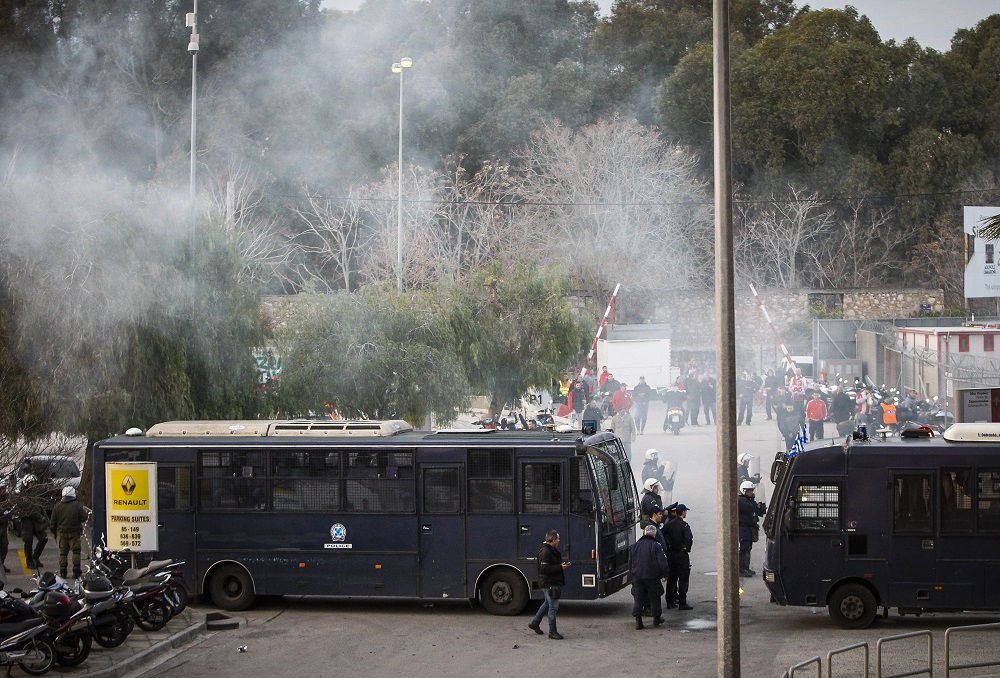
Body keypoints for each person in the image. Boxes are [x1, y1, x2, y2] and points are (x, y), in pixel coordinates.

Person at [528, 530, 569, 640]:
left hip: (550, 581)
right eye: (558, 539)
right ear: (553, 540)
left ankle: (535, 623)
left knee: (547, 603)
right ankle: (552, 631)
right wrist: (560, 567)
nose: (559, 540)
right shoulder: (546, 552)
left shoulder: (550, 550)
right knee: (553, 606)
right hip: (549, 583)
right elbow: (544, 568)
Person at [629, 524, 670, 629]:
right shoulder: (656, 545)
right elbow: (662, 562)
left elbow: (630, 562)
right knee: (655, 597)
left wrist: (632, 575)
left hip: (637, 576)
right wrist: (665, 574)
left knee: (638, 598)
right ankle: (656, 619)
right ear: (654, 535)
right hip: (652, 576)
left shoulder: (635, 546)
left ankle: (638, 620)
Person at [50, 485, 91, 578]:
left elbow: (53, 521)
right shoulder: (77, 505)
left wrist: (54, 532)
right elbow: (84, 517)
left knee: (63, 553)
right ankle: (76, 571)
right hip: (74, 533)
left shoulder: (57, 506)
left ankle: (63, 571)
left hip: (63, 533)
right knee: (76, 551)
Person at [16, 475, 49, 570]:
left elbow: (40, 506)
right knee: (28, 541)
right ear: (26, 483)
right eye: (30, 483)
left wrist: (45, 517)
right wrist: (40, 517)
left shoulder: (36, 494)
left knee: (43, 539)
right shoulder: (23, 495)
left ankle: (35, 557)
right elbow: (30, 509)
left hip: (36, 521)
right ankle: (29, 561)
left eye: (33, 483)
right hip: (27, 521)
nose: (32, 485)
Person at [664, 503, 694, 610]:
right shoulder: (684, 525)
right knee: (683, 578)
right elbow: (689, 539)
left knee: (671, 578)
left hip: (671, 554)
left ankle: (669, 601)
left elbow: (663, 533)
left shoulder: (670, 524)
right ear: (683, 512)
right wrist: (687, 548)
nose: (686, 513)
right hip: (681, 554)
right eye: (685, 511)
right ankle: (682, 602)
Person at [738, 481, 763, 577]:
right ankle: (742, 569)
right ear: (744, 491)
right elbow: (750, 507)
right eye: (749, 491)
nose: (751, 493)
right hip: (743, 527)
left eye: (751, 491)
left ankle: (746, 567)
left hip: (748, 527)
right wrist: (755, 504)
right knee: (744, 548)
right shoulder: (742, 500)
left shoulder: (748, 500)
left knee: (748, 548)